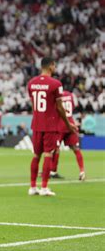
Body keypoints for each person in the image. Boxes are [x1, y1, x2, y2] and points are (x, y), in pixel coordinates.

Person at [27, 57, 77, 197]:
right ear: (50, 66)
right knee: (48, 154)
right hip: (50, 125)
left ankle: (32, 187)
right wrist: (68, 124)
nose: (55, 68)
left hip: (36, 124)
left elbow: (33, 105)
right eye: (54, 65)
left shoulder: (31, 83)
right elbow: (60, 108)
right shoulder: (56, 84)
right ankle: (44, 188)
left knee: (36, 155)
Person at [50, 90, 85, 181]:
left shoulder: (56, 95)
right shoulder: (71, 95)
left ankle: (53, 171)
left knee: (55, 149)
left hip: (60, 124)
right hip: (71, 123)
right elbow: (73, 107)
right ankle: (82, 171)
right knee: (76, 149)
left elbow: (56, 109)